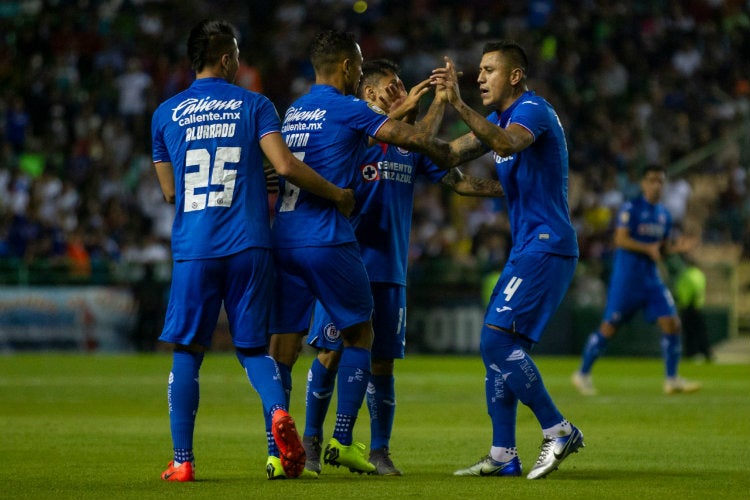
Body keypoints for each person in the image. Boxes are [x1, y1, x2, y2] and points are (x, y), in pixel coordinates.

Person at [151, 19, 354, 482]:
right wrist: (338, 194)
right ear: (226, 59)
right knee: (252, 350)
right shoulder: (255, 104)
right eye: (237, 53)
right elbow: (284, 165)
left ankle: (183, 460)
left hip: (195, 248)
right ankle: (280, 414)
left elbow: (169, 192)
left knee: (187, 352)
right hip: (249, 244)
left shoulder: (164, 114)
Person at [301, 59, 505, 476]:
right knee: (329, 353)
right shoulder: (355, 130)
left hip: (390, 269)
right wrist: (437, 103)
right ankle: (310, 442)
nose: (405, 90)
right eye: (394, 86)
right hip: (345, 260)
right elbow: (423, 134)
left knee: (383, 364)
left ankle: (378, 451)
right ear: (371, 94)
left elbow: (459, 178)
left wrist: (517, 189)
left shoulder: (408, 144)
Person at [268, 30, 456, 477]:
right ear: (350, 69)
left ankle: (283, 453)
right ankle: (336, 441)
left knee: (283, 351)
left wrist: (407, 106)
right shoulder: (350, 109)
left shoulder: (295, 111)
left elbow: (295, 162)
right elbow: (410, 140)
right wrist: (445, 105)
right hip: (330, 241)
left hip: (287, 238)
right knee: (355, 340)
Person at [430, 40, 584, 480]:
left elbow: (504, 144)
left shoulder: (531, 112)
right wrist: (415, 126)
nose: (479, 77)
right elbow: (450, 158)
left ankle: (559, 430)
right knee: (500, 350)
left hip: (547, 244)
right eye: (477, 70)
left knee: (495, 342)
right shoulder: (497, 120)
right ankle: (502, 455)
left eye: (489, 70)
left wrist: (458, 103)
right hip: (528, 248)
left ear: (515, 76)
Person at [571, 164, 702, 396]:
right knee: (608, 328)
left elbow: (658, 251)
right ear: (643, 183)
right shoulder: (631, 208)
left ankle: (671, 380)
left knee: (672, 323)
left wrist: (675, 249)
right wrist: (647, 247)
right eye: (652, 180)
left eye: (661, 181)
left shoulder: (664, 215)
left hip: (651, 280)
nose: (656, 185)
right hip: (627, 281)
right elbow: (620, 240)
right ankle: (582, 374)